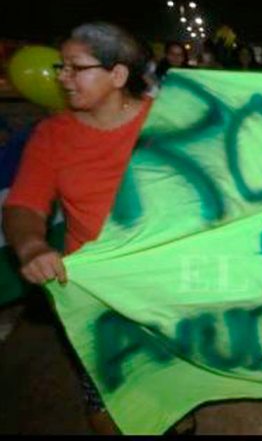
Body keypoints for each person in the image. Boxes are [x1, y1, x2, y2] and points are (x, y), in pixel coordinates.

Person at [1, 22, 195, 435]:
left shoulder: (169, 124)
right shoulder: (52, 135)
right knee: (107, 405)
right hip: (95, 293)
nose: (62, 77)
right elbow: (24, 204)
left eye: (76, 67)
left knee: (174, 393)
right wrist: (31, 246)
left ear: (118, 75)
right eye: (61, 66)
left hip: (166, 285)